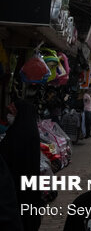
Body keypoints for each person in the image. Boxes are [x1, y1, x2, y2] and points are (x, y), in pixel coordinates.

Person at [0, 99, 41, 231]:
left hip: (16, 187)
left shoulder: (17, 135)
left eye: (12, 112)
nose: (9, 115)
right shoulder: (30, 131)